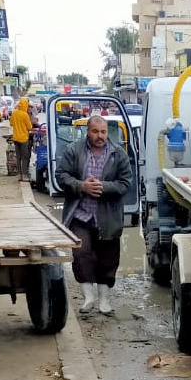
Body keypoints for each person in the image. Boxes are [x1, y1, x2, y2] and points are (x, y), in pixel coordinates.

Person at [54, 116, 132, 316]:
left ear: (107, 133)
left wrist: (103, 187)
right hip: (81, 214)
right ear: (87, 131)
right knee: (81, 255)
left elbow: (126, 183)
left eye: (103, 132)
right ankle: (88, 296)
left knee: (108, 259)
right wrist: (82, 186)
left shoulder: (118, 154)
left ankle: (104, 301)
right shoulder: (74, 150)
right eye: (95, 131)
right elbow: (61, 175)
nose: (99, 136)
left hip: (108, 217)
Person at [10, 97, 32, 181]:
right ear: (25, 105)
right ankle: (24, 175)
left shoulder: (14, 113)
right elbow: (29, 127)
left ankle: (19, 175)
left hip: (15, 138)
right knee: (25, 157)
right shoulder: (24, 114)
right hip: (23, 139)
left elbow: (11, 123)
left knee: (18, 157)